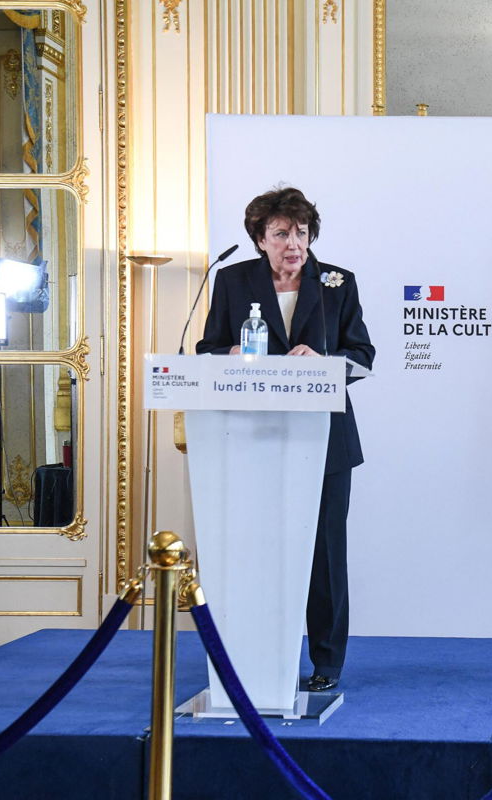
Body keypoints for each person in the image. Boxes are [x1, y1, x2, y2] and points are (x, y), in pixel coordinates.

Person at [197, 186, 374, 692]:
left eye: (301, 232)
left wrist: (326, 364)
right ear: (259, 239)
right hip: (253, 439)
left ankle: (327, 662)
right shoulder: (232, 280)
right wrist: (228, 352)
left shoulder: (339, 283)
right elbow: (207, 347)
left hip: (327, 442)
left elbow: (363, 355)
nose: (293, 243)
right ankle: (255, 656)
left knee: (324, 553)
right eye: (280, 234)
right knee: (255, 549)